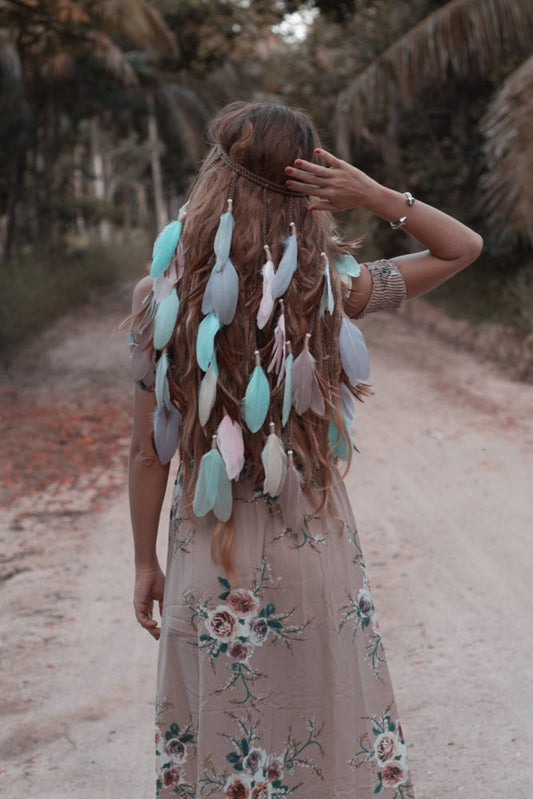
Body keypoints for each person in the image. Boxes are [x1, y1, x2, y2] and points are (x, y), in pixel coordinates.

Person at [126, 101, 482, 799]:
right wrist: (380, 198)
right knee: (320, 731)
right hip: (312, 550)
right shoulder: (326, 290)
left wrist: (145, 561)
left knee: (228, 737)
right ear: (310, 188)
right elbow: (460, 247)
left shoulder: (160, 296)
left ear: (212, 178)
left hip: (208, 558)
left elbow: (148, 453)